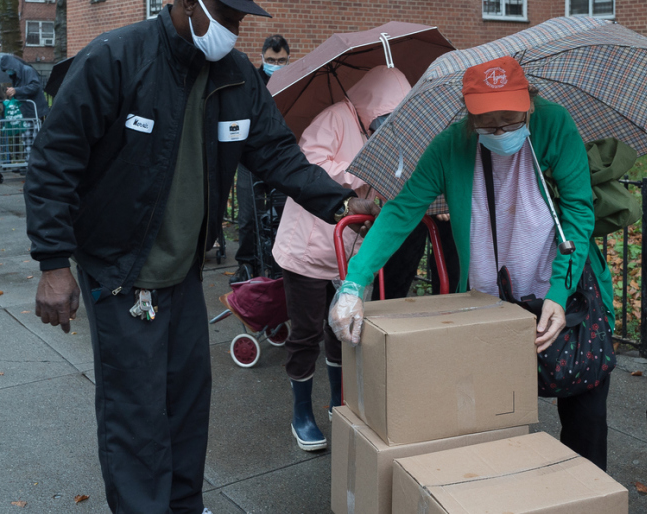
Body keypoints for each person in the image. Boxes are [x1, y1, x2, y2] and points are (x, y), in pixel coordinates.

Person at [23, 0, 377, 514]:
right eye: (227, 17)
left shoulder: (236, 77)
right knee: (135, 409)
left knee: (187, 401)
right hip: (119, 268)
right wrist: (52, 263)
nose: (235, 32)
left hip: (182, 269)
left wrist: (342, 202)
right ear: (188, 3)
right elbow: (54, 161)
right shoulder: (117, 59)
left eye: (241, 21)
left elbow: (278, 156)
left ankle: (184, 505)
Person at [328, 56, 614, 470]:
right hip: (488, 302)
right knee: (491, 422)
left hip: (564, 292)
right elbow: (402, 210)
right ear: (467, 115)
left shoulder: (554, 124)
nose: (499, 130)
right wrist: (354, 283)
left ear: (530, 101)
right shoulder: (450, 145)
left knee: (586, 422)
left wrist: (558, 292)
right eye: (487, 122)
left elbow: (579, 211)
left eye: (510, 119)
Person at [271, 65, 412, 451]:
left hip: (348, 252)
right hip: (307, 247)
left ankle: (339, 403)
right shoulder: (335, 117)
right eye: (384, 116)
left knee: (344, 331)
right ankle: (302, 413)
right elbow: (308, 163)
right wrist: (358, 173)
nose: (387, 124)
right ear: (370, 106)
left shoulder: (379, 131)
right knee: (305, 334)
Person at [234, 34, 290, 280]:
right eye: (270, 59)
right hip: (251, 158)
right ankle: (248, 265)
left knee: (282, 215)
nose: (275, 64)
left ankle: (279, 267)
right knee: (248, 217)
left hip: (280, 158)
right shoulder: (251, 80)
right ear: (262, 57)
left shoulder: (294, 82)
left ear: (288, 59)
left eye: (280, 60)